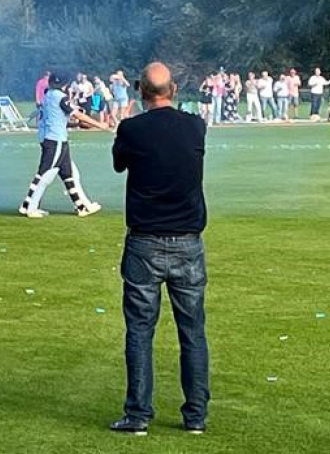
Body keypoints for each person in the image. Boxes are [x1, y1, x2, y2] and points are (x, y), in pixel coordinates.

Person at [110, 61, 209, 436]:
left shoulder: (131, 128)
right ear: (174, 89)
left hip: (145, 241)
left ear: (140, 91)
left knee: (139, 330)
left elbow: (120, 164)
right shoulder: (195, 125)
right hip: (187, 240)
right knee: (193, 331)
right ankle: (195, 415)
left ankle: (138, 415)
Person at [19, 72, 110, 219]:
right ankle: (29, 207)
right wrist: (101, 125)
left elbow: (57, 116)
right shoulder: (61, 97)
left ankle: (82, 206)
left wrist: (72, 123)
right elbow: (77, 115)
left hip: (50, 137)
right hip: (56, 140)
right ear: (65, 84)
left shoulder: (48, 95)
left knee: (70, 174)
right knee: (45, 174)